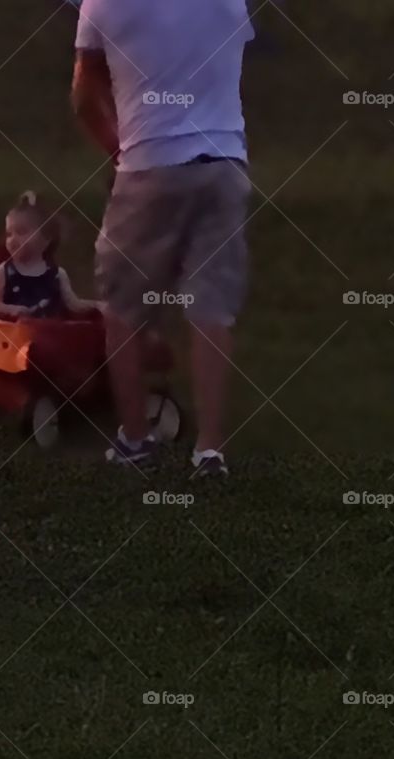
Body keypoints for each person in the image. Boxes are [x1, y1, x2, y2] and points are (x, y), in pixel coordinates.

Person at [72, 0, 254, 477]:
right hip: (224, 164)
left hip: (148, 165)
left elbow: (83, 96)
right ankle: (209, 451)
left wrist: (117, 148)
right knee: (211, 308)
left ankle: (135, 441)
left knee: (122, 307)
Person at [0, 191, 100, 319]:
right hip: (13, 335)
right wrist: (11, 309)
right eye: (9, 234)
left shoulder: (57, 274)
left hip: (50, 334)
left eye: (21, 232)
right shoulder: (4, 272)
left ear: (46, 239)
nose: (12, 240)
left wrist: (96, 305)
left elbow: (73, 304)